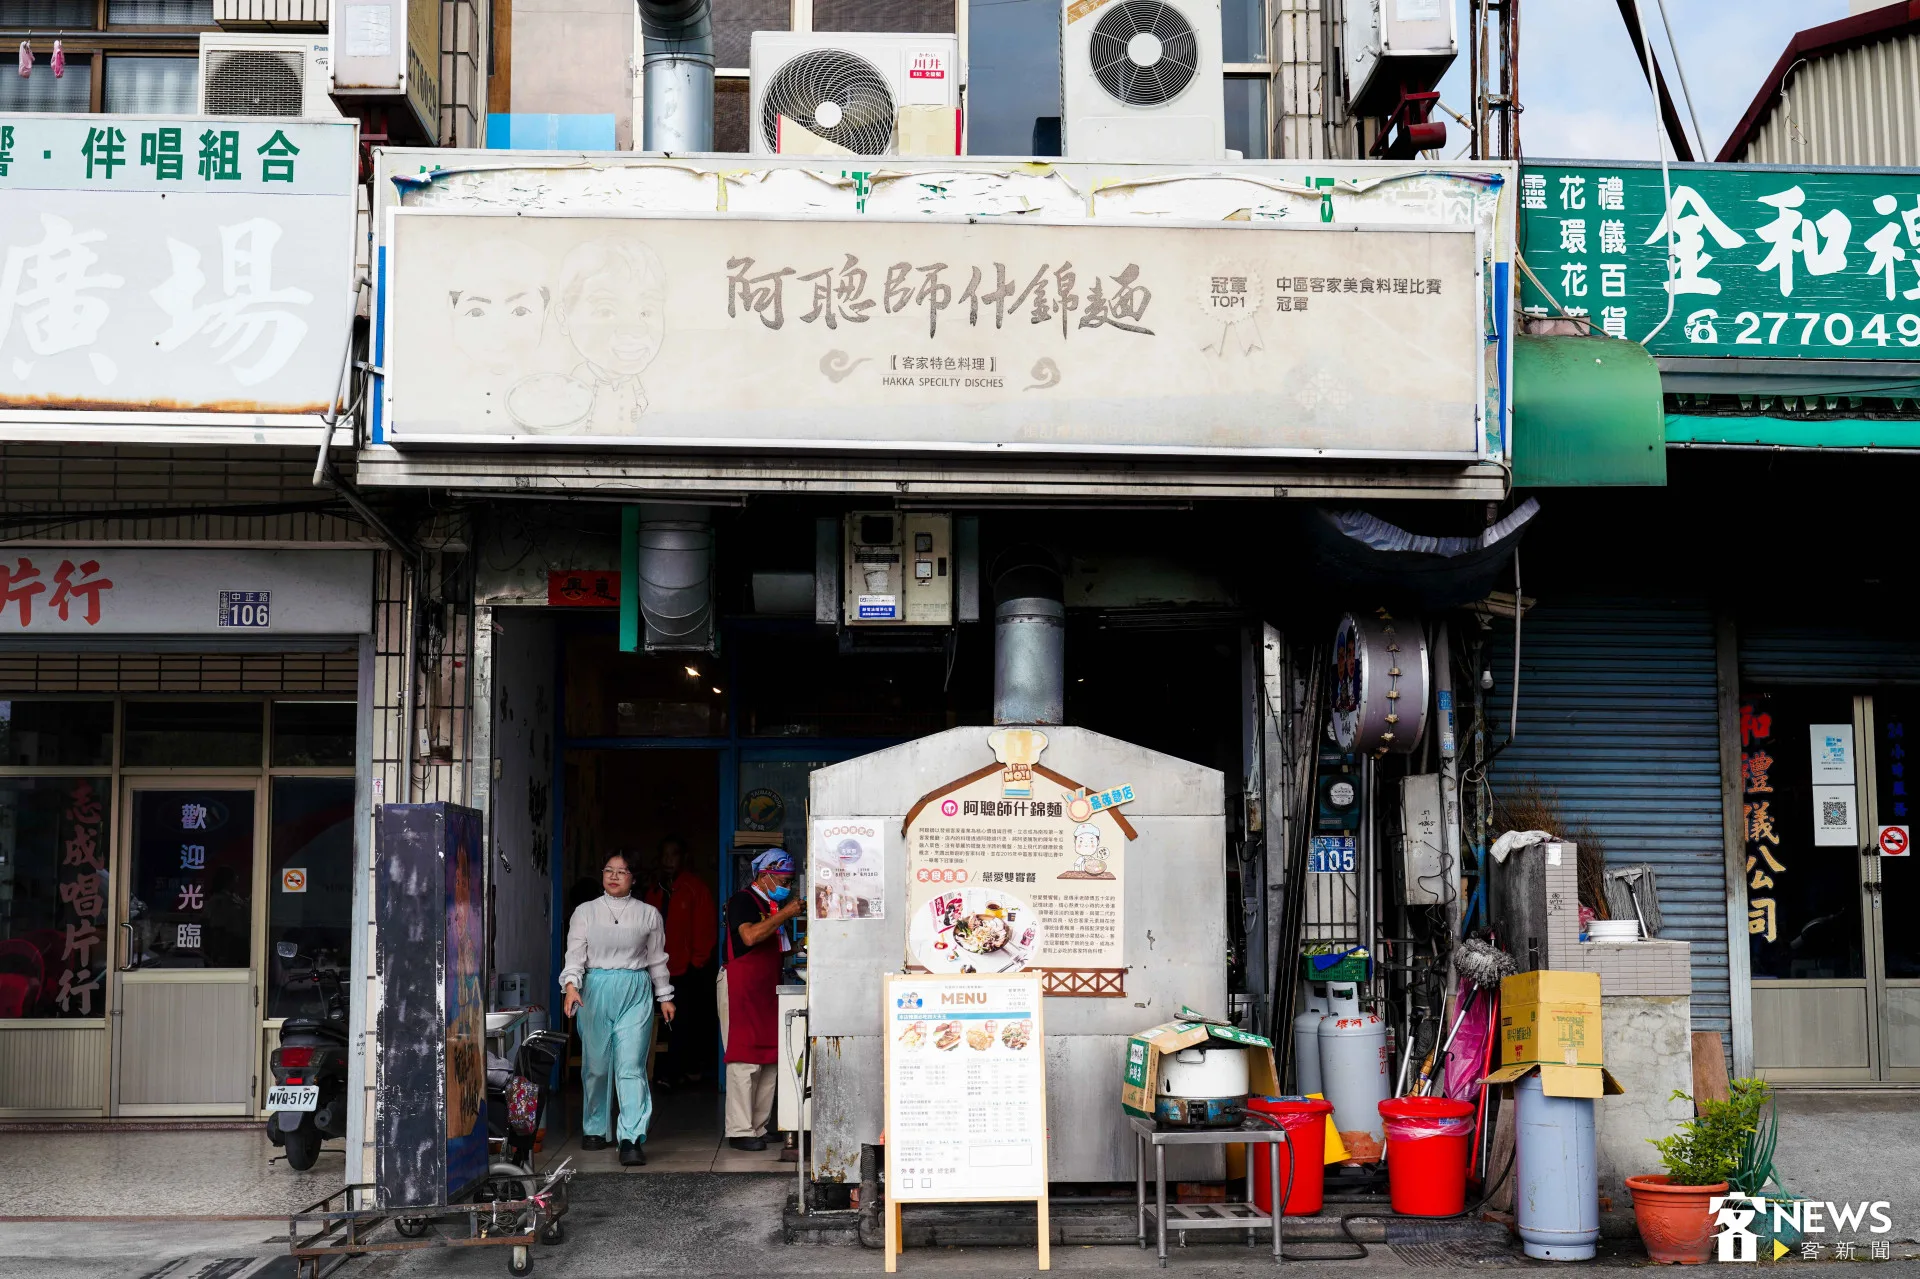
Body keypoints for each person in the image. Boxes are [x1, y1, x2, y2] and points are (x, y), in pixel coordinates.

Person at [560, 852, 676, 1166]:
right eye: (608, 870)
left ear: (632, 878)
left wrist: (664, 995)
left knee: (630, 1066)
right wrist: (571, 986)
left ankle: (631, 1138)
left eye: (621, 871)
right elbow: (574, 956)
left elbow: (656, 958)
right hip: (595, 989)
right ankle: (595, 1127)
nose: (614, 876)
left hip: (636, 990)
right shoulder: (585, 912)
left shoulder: (649, 914)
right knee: (596, 1066)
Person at [719, 849, 802, 1151]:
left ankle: (759, 1126)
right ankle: (740, 1129)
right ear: (765, 874)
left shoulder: (770, 904)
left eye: (791, 882)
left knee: (769, 1058)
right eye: (784, 879)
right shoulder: (743, 901)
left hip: (767, 986)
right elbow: (750, 937)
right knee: (744, 1057)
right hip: (741, 984)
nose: (788, 886)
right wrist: (786, 913)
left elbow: (777, 947)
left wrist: (801, 948)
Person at [641, 836, 718, 1086]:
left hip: (687, 968)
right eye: (664, 855)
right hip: (655, 967)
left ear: (683, 858)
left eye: (673, 854)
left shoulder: (695, 888)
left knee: (684, 1022)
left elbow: (706, 928)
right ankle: (659, 1071)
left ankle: (677, 1073)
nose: (667, 860)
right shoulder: (654, 890)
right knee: (656, 1022)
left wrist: (697, 963)